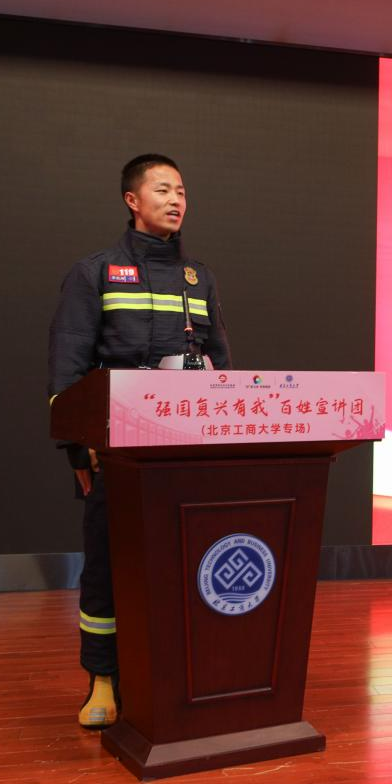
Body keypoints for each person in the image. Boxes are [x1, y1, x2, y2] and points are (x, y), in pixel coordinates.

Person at [47, 154, 232, 728]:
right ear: (132, 200)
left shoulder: (198, 278)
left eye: (182, 191)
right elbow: (68, 368)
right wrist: (78, 448)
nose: (176, 200)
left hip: (188, 450)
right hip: (119, 451)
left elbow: (221, 364)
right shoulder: (95, 273)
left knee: (183, 563)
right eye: (163, 190)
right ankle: (103, 680)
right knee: (108, 564)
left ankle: (177, 675)